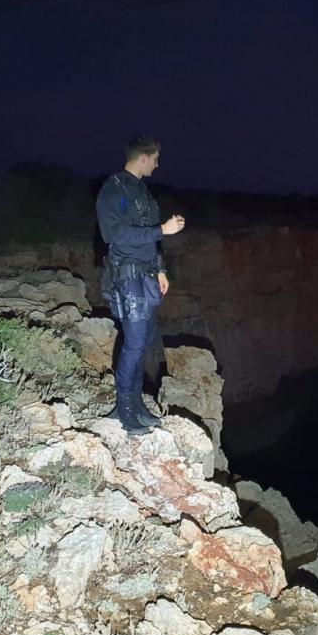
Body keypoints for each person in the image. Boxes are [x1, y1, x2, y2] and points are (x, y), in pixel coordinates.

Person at [95, 135, 185, 435]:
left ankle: (136, 404)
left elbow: (152, 237)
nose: (157, 165)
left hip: (146, 275)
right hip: (127, 275)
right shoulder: (115, 190)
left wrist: (160, 269)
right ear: (143, 157)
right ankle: (124, 409)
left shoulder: (141, 191)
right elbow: (115, 235)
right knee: (133, 344)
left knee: (144, 340)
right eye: (155, 158)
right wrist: (162, 229)